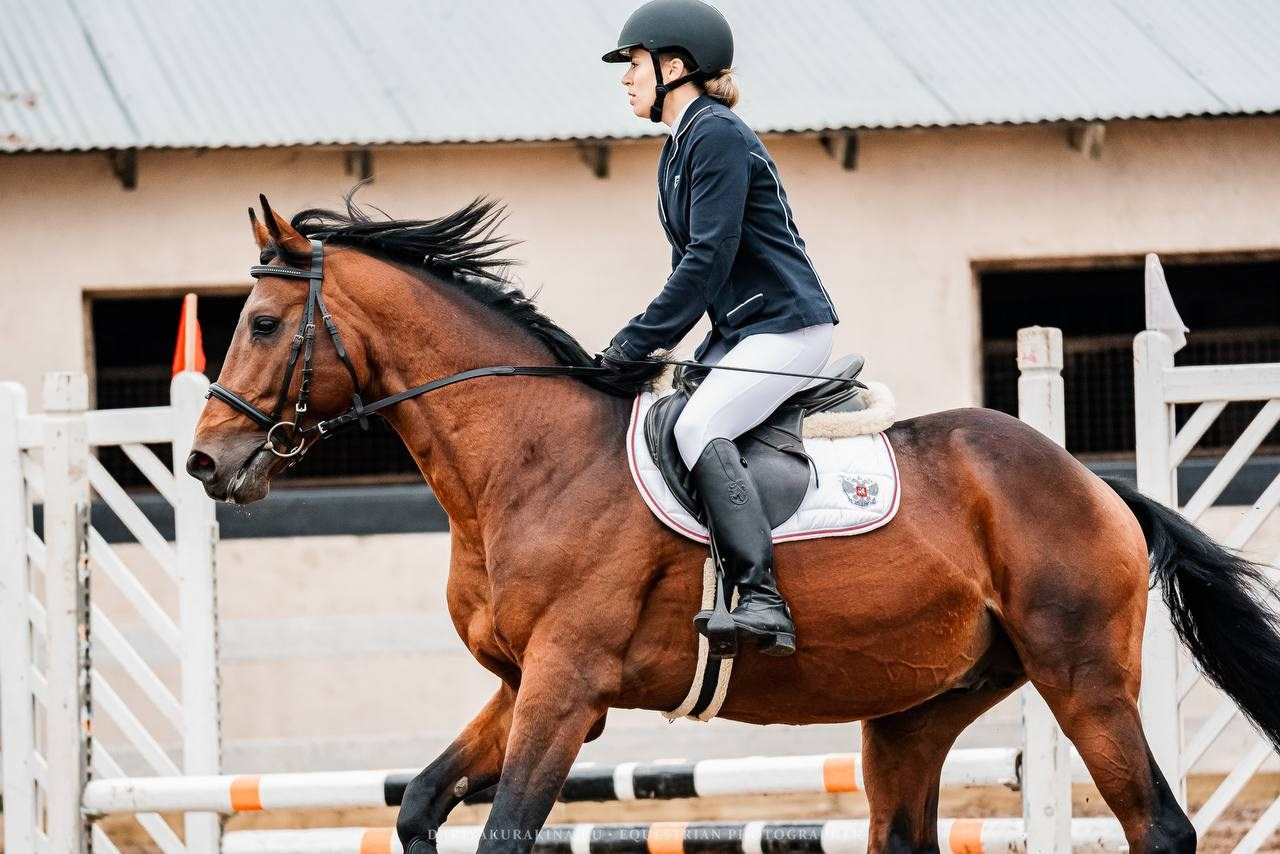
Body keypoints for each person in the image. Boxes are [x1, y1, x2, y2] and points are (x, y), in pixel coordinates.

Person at [598, 0, 840, 658]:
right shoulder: (676, 151)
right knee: (670, 407)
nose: (625, 78)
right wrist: (667, 354)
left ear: (675, 67)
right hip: (742, 332)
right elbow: (694, 270)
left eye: (636, 65)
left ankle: (761, 598)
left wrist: (636, 339)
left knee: (697, 424)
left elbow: (708, 260)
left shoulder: (716, 135)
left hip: (787, 325)